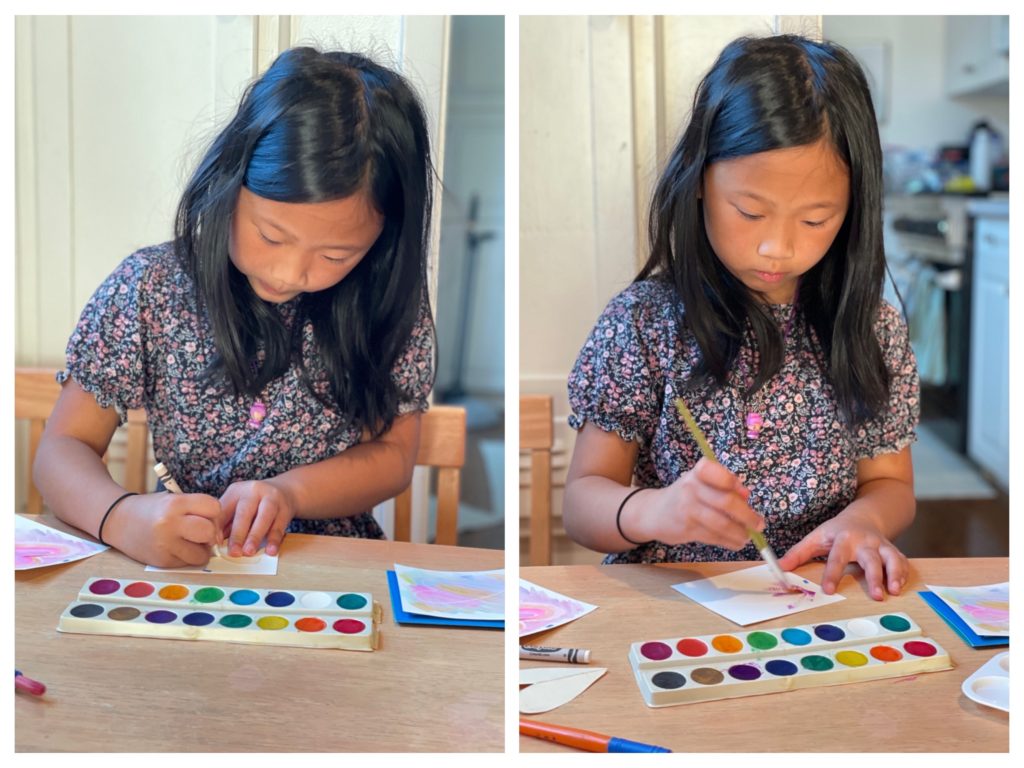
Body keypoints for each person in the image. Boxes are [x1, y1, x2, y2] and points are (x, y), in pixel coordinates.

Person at [34, 47, 436, 568]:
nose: (290, 273)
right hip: (189, 559)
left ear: (384, 241)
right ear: (229, 181)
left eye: (336, 255)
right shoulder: (150, 287)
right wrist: (120, 515)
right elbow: (62, 447)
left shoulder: (385, 302)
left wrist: (288, 494)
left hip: (331, 566)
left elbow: (393, 457)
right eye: (271, 236)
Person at [563, 34, 919, 601]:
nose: (777, 248)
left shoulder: (871, 328)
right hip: (673, 601)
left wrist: (866, 522)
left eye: (815, 219)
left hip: (817, 602)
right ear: (699, 180)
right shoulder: (644, 324)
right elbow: (582, 502)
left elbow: (891, 484)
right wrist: (656, 511)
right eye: (750, 212)